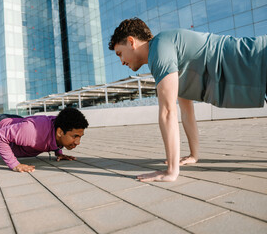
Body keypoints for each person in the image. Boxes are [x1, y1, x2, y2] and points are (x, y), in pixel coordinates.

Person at [109, 17, 267, 182]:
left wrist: (171, 171)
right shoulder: (170, 54)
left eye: (120, 53)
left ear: (131, 42)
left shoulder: (160, 49)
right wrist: (193, 155)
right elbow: (186, 111)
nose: (121, 62)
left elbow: (168, 111)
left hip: (260, 56)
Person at [0, 107, 89, 172]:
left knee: (9, 133)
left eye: (80, 137)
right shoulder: (31, 132)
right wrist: (14, 164)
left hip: (16, 125)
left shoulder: (60, 128)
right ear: (60, 132)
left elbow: (53, 138)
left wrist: (59, 153)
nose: (77, 142)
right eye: (74, 137)